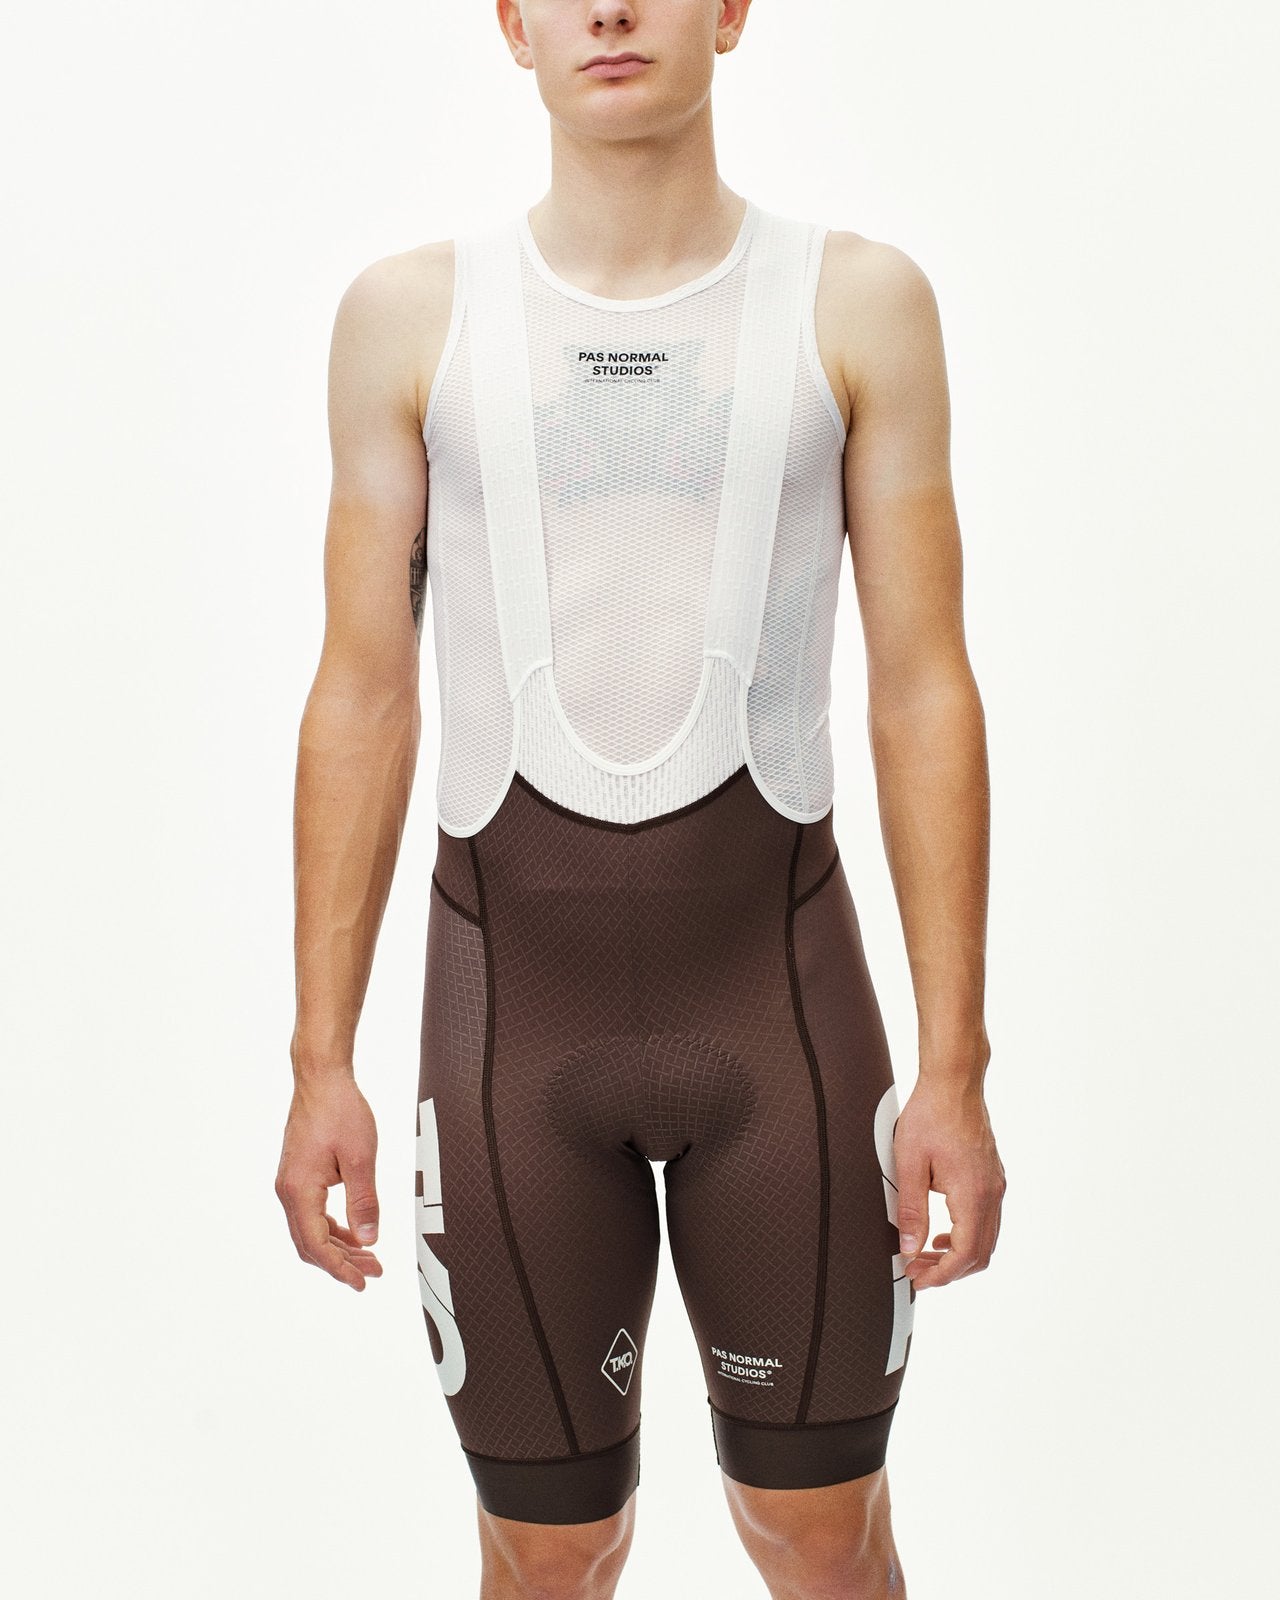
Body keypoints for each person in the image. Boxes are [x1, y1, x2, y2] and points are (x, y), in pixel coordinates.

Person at [275, 3, 1006, 1596]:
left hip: (780, 1018)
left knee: (817, 1534)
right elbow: (363, 695)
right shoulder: (409, 320)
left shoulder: (858, 304)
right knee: (551, 1551)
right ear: (512, 24)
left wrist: (955, 1066)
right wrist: (319, 1060)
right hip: (509, 1033)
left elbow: (923, 691)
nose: (610, 9)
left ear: (731, 9)